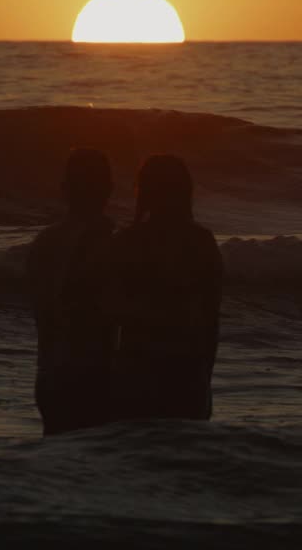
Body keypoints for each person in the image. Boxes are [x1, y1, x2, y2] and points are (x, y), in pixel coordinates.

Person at [102, 155, 222, 420]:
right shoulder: (200, 241)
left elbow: (110, 310)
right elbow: (211, 317)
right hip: (186, 365)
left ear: (143, 192)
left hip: (137, 365)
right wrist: (205, 374)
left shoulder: (127, 241)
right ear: (185, 191)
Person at [25, 148, 117, 435]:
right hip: (94, 378)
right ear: (109, 189)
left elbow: (42, 310)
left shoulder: (45, 241)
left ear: (65, 189)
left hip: (50, 373)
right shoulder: (114, 242)